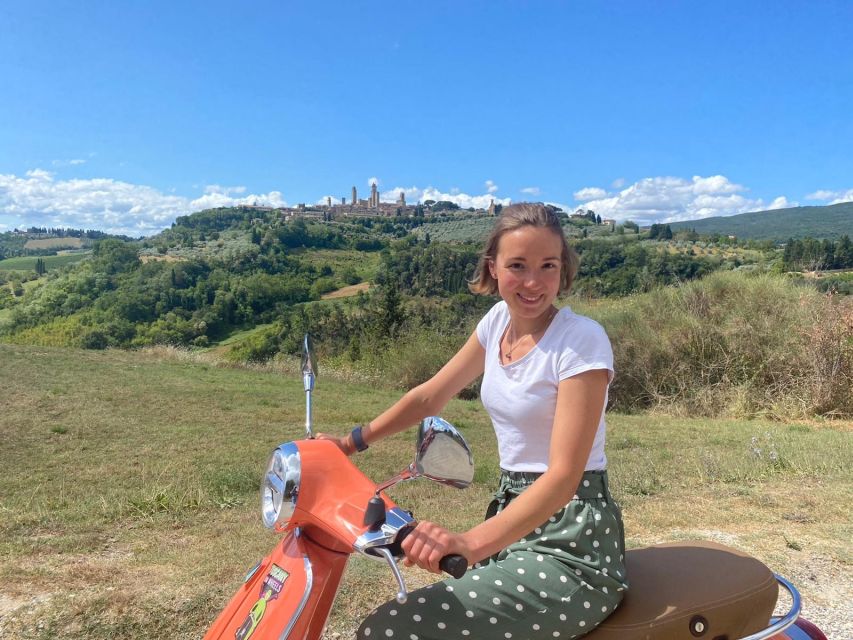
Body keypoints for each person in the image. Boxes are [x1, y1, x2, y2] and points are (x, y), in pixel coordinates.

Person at [322, 203, 627, 639]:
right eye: (518, 265)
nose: (533, 282)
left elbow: (563, 477)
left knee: (392, 629)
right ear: (494, 268)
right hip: (513, 520)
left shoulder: (580, 341)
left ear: (564, 270)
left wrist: (467, 543)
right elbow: (430, 395)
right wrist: (350, 443)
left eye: (548, 266)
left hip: (572, 541)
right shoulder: (498, 322)